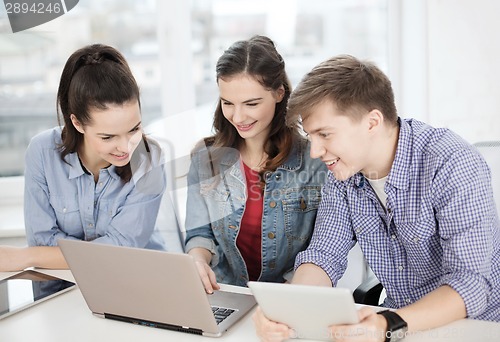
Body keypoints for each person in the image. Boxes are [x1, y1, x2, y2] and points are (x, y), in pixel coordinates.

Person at [253, 54, 500, 341]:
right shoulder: (343, 172)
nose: (315, 152)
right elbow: (323, 254)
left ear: (372, 122)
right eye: (311, 136)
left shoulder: (452, 163)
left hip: (476, 327)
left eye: (325, 134)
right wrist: (290, 307)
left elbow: (470, 284)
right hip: (396, 325)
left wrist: (388, 323)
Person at [0, 44, 166, 272]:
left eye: (134, 129)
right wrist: (100, 253)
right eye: (108, 137)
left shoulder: (149, 159)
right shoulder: (42, 152)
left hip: (134, 282)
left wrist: (29, 257)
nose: (125, 147)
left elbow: (122, 249)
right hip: (61, 288)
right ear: (77, 123)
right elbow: (43, 240)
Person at [184, 35, 327, 293]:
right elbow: (200, 233)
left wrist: (288, 293)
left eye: (251, 104)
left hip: (291, 294)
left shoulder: (315, 162)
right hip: (224, 291)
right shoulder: (205, 159)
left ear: (279, 93)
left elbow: (324, 248)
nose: (238, 117)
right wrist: (197, 260)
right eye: (228, 103)